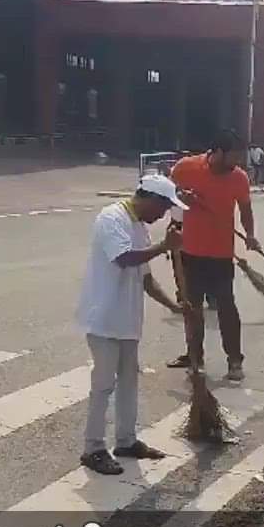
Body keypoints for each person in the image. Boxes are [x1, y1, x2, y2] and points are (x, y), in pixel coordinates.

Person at [76, 175, 188, 476]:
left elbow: (146, 278)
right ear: (150, 198)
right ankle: (93, 448)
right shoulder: (111, 218)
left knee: (129, 382)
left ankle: (125, 441)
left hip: (127, 320)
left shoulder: (140, 228)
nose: (163, 215)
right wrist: (166, 245)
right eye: (164, 207)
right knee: (103, 385)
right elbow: (124, 258)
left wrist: (174, 306)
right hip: (104, 318)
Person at [166, 129, 260, 382]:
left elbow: (245, 208)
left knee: (226, 308)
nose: (237, 163)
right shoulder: (186, 168)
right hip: (190, 252)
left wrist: (250, 234)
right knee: (192, 308)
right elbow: (167, 194)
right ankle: (194, 357)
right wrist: (180, 198)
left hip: (221, 254)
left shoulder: (238, 178)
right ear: (217, 152)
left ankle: (235, 360)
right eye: (234, 157)